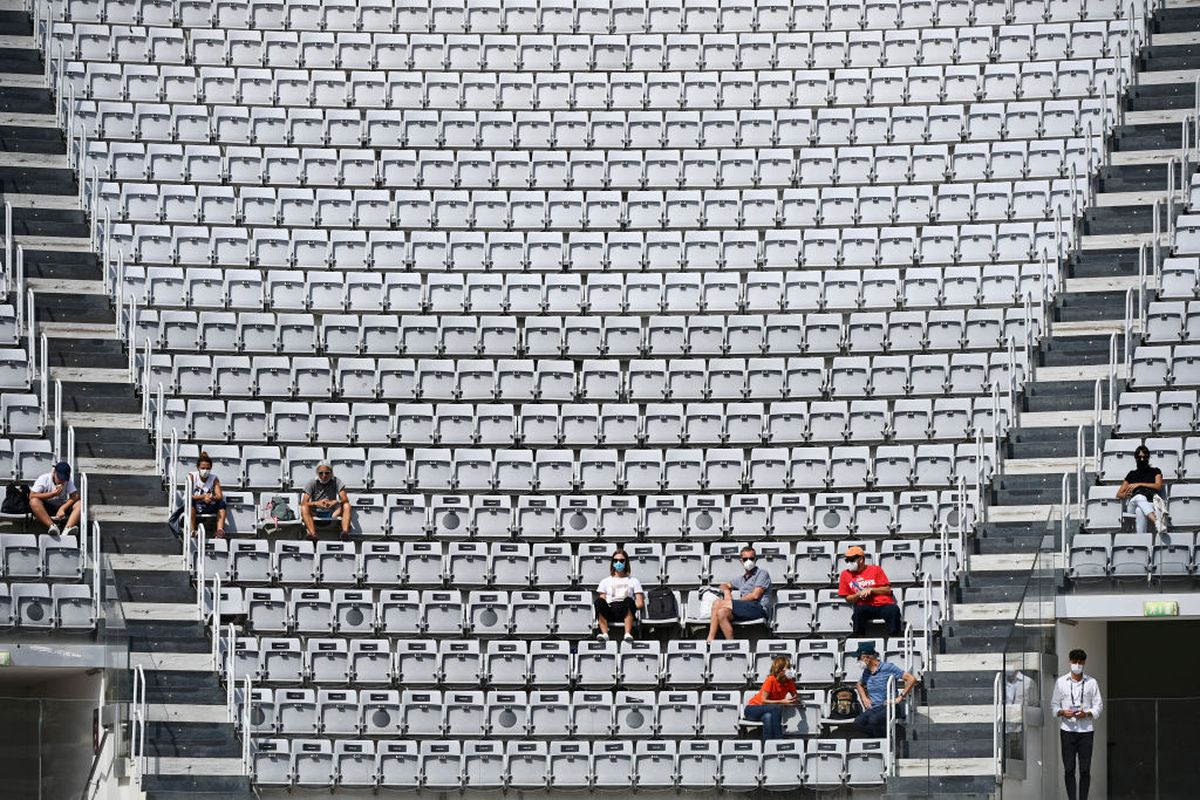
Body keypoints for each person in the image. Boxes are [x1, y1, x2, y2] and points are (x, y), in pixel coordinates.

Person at [1051, 649, 1102, 800]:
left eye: (1080, 662)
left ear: (1084, 663)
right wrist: (1062, 712)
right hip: (1067, 729)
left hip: (1086, 730)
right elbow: (1054, 705)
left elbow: (1098, 706)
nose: (1077, 665)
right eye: (1075, 662)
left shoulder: (1092, 682)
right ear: (1069, 662)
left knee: (1085, 769)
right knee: (1069, 769)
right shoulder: (1061, 682)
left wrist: (1086, 713)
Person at [706, 545, 772, 642]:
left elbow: (755, 595)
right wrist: (727, 591)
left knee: (717, 603)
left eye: (751, 558)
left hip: (759, 608)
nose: (748, 561)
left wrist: (733, 602)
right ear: (741, 561)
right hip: (746, 608)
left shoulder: (762, 573)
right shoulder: (741, 579)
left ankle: (710, 640)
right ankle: (731, 644)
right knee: (722, 613)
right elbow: (723, 585)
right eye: (745, 559)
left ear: (756, 560)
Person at [852, 642, 917, 738]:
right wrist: (864, 698)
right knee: (858, 722)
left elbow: (911, 679)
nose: (857, 661)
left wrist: (900, 697)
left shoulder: (888, 667)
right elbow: (859, 685)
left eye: (859, 658)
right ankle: (880, 737)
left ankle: (883, 739)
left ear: (866, 657)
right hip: (875, 707)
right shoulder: (867, 672)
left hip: (890, 706)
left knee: (873, 720)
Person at [838, 546, 903, 636]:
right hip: (864, 605)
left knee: (893, 609)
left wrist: (871, 590)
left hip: (883, 604)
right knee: (858, 611)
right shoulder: (845, 574)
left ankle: (895, 637)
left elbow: (887, 590)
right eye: (847, 560)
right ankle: (858, 637)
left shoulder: (876, 569)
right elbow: (848, 598)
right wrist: (859, 595)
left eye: (851, 560)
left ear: (861, 560)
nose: (848, 563)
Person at [743, 656, 800, 741]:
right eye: (787, 668)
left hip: (769, 711)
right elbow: (763, 701)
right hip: (753, 709)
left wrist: (794, 699)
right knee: (776, 708)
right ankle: (779, 739)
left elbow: (795, 697)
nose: (790, 670)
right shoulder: (770, 679)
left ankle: (767, 745)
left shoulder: (789, 682)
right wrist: (782, 701)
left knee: (768, 717)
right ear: (780, 669)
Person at [594, 549, 643, 643]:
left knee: (628, 600)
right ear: (612, 563)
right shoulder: (605, 581)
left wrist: (631, 605)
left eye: (621, 560)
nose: (618, 563)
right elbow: (602, 600)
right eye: (615, 560)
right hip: (610, 610)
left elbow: (640, 603)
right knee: (598, 602)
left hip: (626, 610)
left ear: (626, 562)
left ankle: (627, 633)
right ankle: (605, 634)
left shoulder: (634, 581)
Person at [1116, 445, 1167, 534]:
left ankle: (1141, 538)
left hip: (1151, 503)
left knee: (1139, 510)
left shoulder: (1155, 471)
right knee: (1139, 497)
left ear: (1148, 457)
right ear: (1136, 458)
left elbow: (1158, 486)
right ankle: (1156, 522)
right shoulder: (1132, 474)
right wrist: (1125, 495)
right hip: (1133, 504)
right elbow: (1118, 494)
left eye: (1145, 457)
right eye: (1139, 457)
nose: (1142, 459)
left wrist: (1139, 484)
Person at [301, 464, 352, 540]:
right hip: (316, 512)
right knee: (304, 508)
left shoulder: (336, 481)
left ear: (331, 473)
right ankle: (313, 534)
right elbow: (304, 503)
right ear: (317, 473)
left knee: (347, 505)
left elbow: (345, 499)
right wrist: (317, 503)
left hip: (332, 512)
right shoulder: (311, 483)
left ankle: (345, 533)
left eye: (327, 473)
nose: (324, 475)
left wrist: (335, 502)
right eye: (321, 473)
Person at [30, 461, 81, 537]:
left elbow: (75, 495)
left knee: (80, 504)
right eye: (59, 478)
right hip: (46, 506)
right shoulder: (44, 478)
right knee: (34, 502)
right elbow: (32, 495)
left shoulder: (67, 481)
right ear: (54, 472)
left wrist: (62, 508)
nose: (61, 481)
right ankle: (52, 526)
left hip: (60, 504)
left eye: (64, 479)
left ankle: (66, 530)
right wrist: (52, 494)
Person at [189, 452, 226, 538]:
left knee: (221, 503)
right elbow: (189, 495)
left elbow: (219, 495)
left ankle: (220, 531)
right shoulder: (192, 476)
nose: (205, 470)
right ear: (198, 467)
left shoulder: (214, 478)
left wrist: (211, 497)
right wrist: (203, 497)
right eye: (203, 468)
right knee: (190, 502)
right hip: (196, 504)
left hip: (208, 504)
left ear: (211, 468)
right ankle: (192, 530)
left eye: (207, 468)